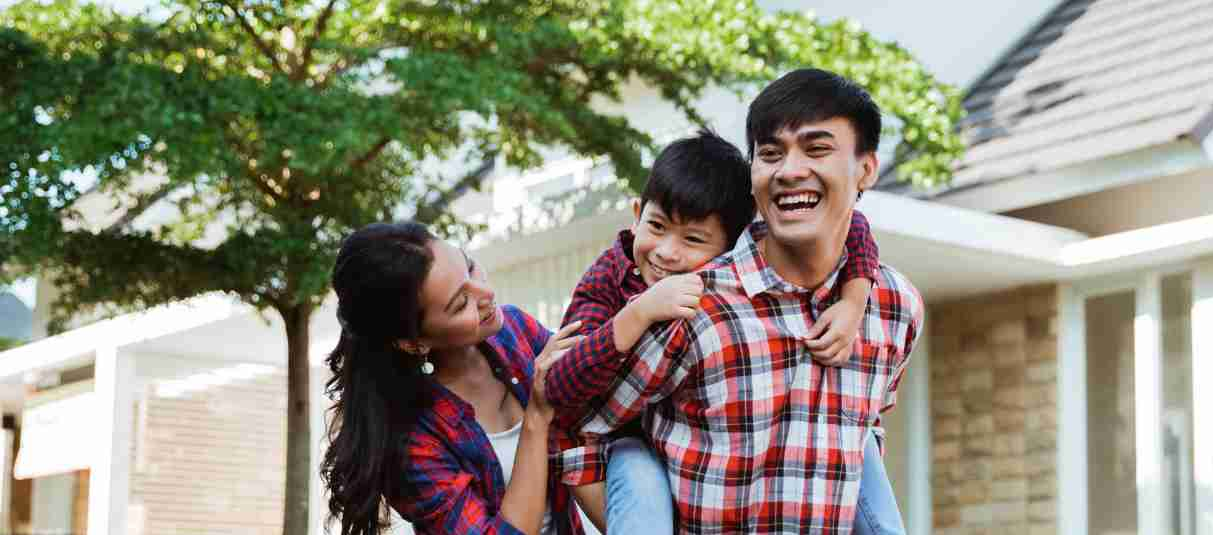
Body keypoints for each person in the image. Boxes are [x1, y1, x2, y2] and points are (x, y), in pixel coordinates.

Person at [570, 68, 923, 534]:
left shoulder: (894, 306)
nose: (790, 170)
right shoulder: (692, 303)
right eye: (771, 153)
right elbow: (583, 429)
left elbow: (867, 430)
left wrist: (856, 294)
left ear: (866, 169)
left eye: (817, 148)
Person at [320, 222, 580, 535]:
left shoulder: (515, 332)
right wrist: (536, 418)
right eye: (460, 304)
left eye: (470, 267)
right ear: (414, 342)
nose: (486, 294)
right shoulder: (411, 444)